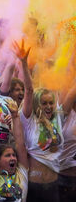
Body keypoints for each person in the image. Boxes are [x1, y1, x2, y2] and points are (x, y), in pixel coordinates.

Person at [13, 40, 70, 202]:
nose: (49, 106)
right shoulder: (29, 121)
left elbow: (67, 88)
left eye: (51, 102)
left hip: (54, 185)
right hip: (33, 186)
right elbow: (29, 91)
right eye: (44, 103)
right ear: (38, 104)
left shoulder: (58, 117)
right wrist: (24, 63)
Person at [0, 94, 29, 202]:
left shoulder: (21, 173)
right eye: (8, 155)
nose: (13, 158)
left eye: (13, 155)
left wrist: (15, 116)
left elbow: (20, 145)